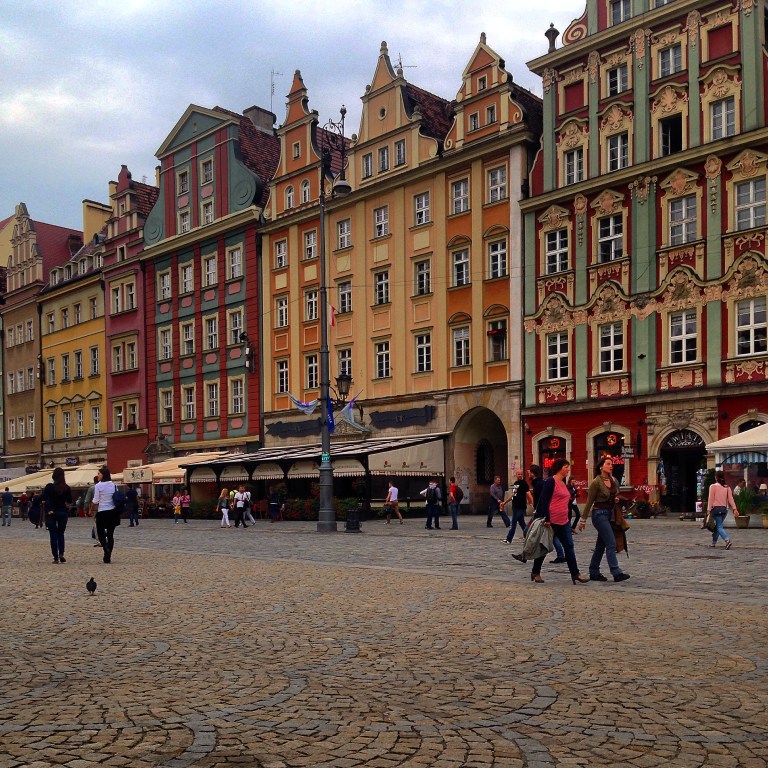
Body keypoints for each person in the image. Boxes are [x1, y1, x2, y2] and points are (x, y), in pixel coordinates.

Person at [523, 459, 588, 584]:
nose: (568, 469)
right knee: (545, 546)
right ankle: (535, 572)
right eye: (566, 467)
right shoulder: (550, 481)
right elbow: (544, 500)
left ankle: (575, 574)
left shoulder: (563, 483)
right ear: (559, 468)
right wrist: (547, 518)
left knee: (569, 547)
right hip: (552, 520)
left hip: (564, 521)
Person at [578, 457, 630, 583]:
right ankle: (616, 572)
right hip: (599, 514)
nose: (611, 466)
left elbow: (615, 494)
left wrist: (616, 498)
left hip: (610, 514)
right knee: (611, 543)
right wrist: (583, 520)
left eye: (611, 464)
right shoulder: (596, 482)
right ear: (602, 466)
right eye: (608, 464)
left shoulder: (613, 481)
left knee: (600, 546)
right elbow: (589, 501)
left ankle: (594, 571)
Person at [42, 468, 73, 564]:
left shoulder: (49, 487)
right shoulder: (66, 488)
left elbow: (43, 498)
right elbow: (70, 501)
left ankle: (55, 557)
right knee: (61, 533)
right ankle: (61, 554)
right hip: (62, 513)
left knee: (53, 535)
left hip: (51, 513)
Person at [91, 465, 120, 564]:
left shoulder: (98, 486)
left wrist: (91, 510)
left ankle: (106, 550)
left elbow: (96, 500)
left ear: (103, 475)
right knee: (110, 534)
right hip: (112, 511)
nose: (97, 475)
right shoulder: (114, 485)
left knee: (100, 532)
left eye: (99, 473)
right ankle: (108, 555)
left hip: (102, 511)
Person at [707, 470, 738, 549]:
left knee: (719, 527)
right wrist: (734, 509)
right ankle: (713, 543)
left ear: (716, 477)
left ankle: (727, 540)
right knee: (718, 526)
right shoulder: (727, 487)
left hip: (716, 509)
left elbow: (711, 499)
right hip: (725, 510)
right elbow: (731, 499)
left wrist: (708, 509)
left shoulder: (713, 486)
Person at [504, 469, 529, 544]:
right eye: (518, 474)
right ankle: (528, 537)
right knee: (522, 523)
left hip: (520, 506)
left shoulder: (524, 484)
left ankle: (509, 539)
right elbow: (513, 494)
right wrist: (505, 502)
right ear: (516, 475)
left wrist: (531, 503)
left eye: (521, 474)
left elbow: (528, 494)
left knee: (513, 523)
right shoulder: (516, 483)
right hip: (515, 505)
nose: (520, 475)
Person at [84, 475, 100, 545]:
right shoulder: (103, 487)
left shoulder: (91, 488)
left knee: (96, 525)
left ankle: (99, 540)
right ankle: (105, 538)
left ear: (94, 481)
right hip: (104, 508)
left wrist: (85, 509)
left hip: (95, 509)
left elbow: (87, 500)